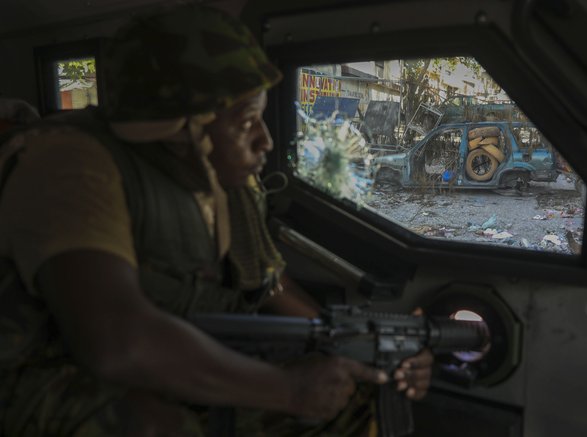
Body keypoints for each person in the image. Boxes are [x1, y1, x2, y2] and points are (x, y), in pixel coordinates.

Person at [0, 3, 433, 436]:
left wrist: (353, 349)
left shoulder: (227, 182)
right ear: (180, 130)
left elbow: (270, 284)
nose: (264, 141)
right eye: (246, 122)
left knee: (355, 394)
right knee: (153, 425)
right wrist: (287, 389)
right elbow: (116, 341)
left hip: (185, 353)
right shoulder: (71, 165)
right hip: (52, 371)